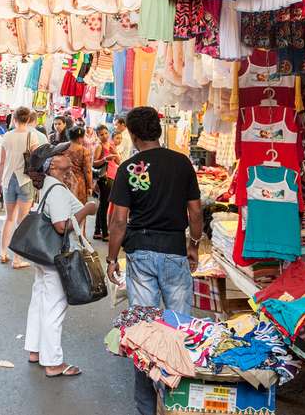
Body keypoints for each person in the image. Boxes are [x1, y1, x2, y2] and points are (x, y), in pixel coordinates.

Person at [105, 107, 202, 415]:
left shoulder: (129, 167)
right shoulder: (182, 163)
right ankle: (177, 404)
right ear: (158, 131)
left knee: (145, 334)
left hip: (141, 253)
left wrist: (111, 258)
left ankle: (146, 409)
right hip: (175, 251)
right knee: (178, 331)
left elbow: (119, 221)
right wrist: (195, 245)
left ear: (133, 136)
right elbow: (196, 212)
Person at [24, 144, 97, 378]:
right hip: (57, 254)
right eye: (60, 154)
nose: (67, 154)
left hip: (45, 255)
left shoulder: (51, 185)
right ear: (52, 165)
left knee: (40, 301)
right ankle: (53, 362)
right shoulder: (56, 190)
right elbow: (61, 225)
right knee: (54, 307)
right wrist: (87, 209)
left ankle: (35, 350)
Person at [0, 106, 47, 268]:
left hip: (8, 179)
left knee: (9, 218)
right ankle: (17, 259)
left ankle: (3, 252)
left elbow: (2, 162)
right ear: (29, 119)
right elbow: (36, 159)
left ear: (15, 119)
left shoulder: (6, 136)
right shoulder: (31, 135)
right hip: (25, 180)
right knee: (22, 221)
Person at [92, 125, 119, 241]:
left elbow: (118, 161)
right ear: (97, 135)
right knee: (104, 205)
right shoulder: (99, 146)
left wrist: (115, 153)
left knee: (103, 204)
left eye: (106, 133)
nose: (104, 136)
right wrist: (104, 159)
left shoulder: (111, 146)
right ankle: (104, 233)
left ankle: (97, 231)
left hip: (112, 176)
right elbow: (94, 163)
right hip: (104, 178)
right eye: (101, 134)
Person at [64, 126, 93, 206]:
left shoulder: (63, 147)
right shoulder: (84, 151)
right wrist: (90, 186)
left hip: (64, 180)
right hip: (78, 182)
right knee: (78, 208)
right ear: (80, 138)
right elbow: (88, 171)